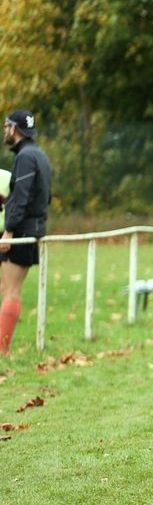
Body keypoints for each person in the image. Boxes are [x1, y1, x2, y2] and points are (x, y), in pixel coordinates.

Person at [0, 110, 52, 357]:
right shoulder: (39, 155)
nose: (4, 131)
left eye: (6, 126)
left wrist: (9, 231)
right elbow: (41, 196)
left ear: (14, 129)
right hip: (33, 228)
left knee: (11, 290)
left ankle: (3, 351)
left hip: (21, 232)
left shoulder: (25, 157)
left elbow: (22, 198)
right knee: (7, 287)